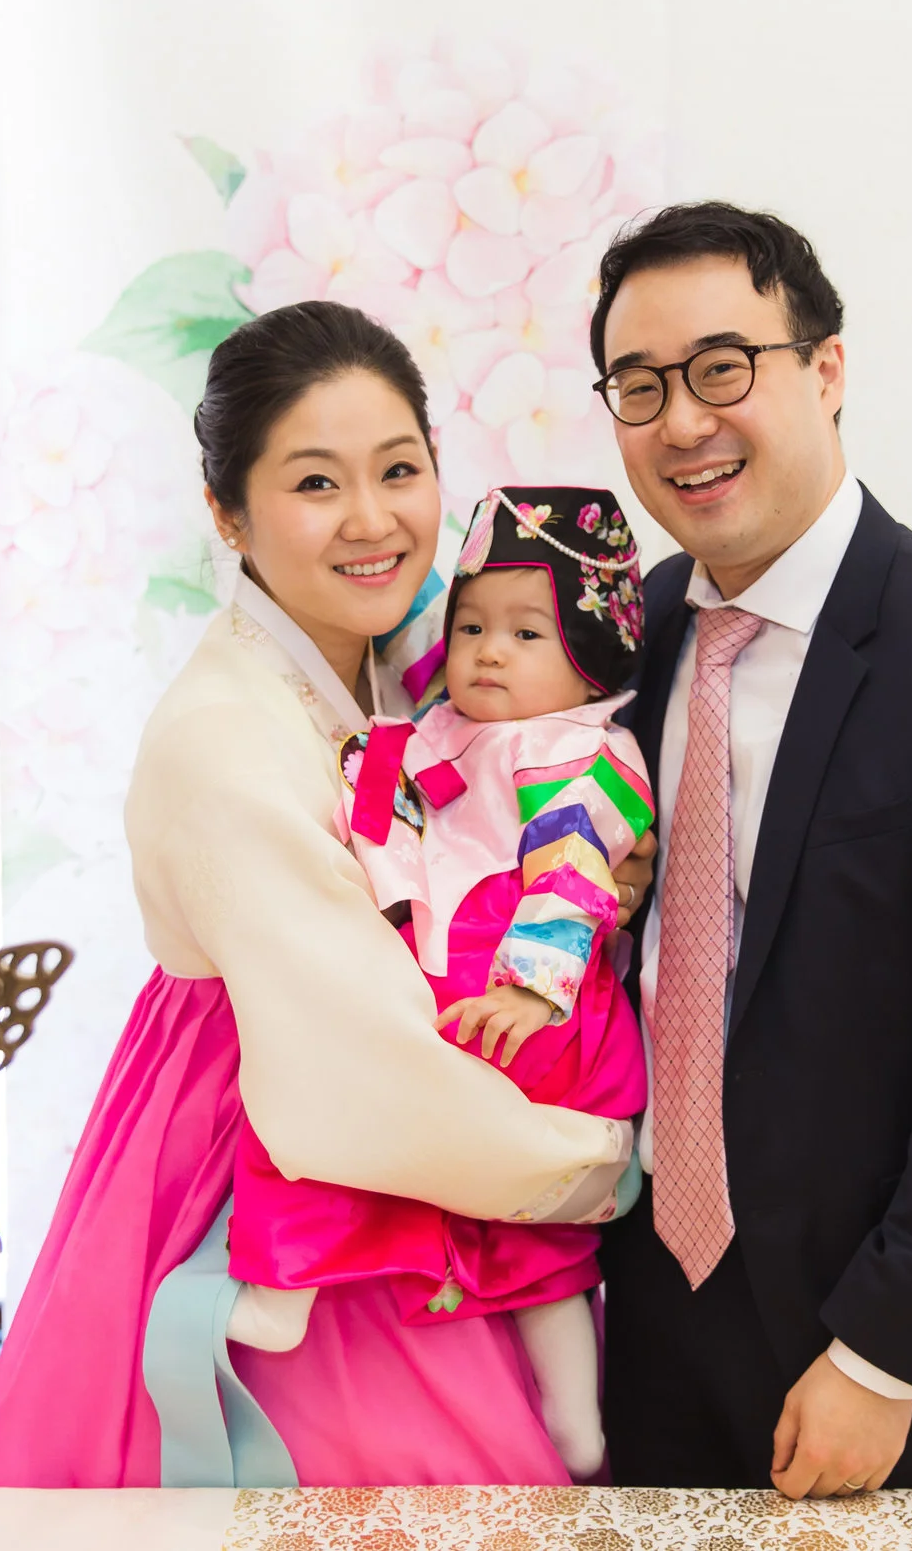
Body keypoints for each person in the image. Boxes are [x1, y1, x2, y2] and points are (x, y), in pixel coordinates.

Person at [0, 302, 648, 1488]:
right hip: (300, 1157)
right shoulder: (225, 737)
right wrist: (603, 1164)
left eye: (399, 469)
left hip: (417, 1144)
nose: (372, 519)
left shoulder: (421, 665)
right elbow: (355, 1077)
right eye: (316, 482)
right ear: (227, 512)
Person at [590, 203, 912, 1495]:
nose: (682, 422)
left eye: (722, 367)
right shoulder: (622, 637)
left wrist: (883, 1354)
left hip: (873, 1330)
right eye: (639, 386)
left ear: (825, 368)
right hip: (645, 1320)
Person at [226, 483, 655, 1480]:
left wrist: (530, 989)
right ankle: (288, 1283)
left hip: (532, 1009)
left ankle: (576, 1414)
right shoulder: (444, 726)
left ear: (591, 653)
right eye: (472, 627)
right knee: (352, 1126)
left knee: (507, 1206)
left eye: (526, 633)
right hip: (444, 982)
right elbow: (395, 717)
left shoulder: (584, 751)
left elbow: (573, 868)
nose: (489, 651)